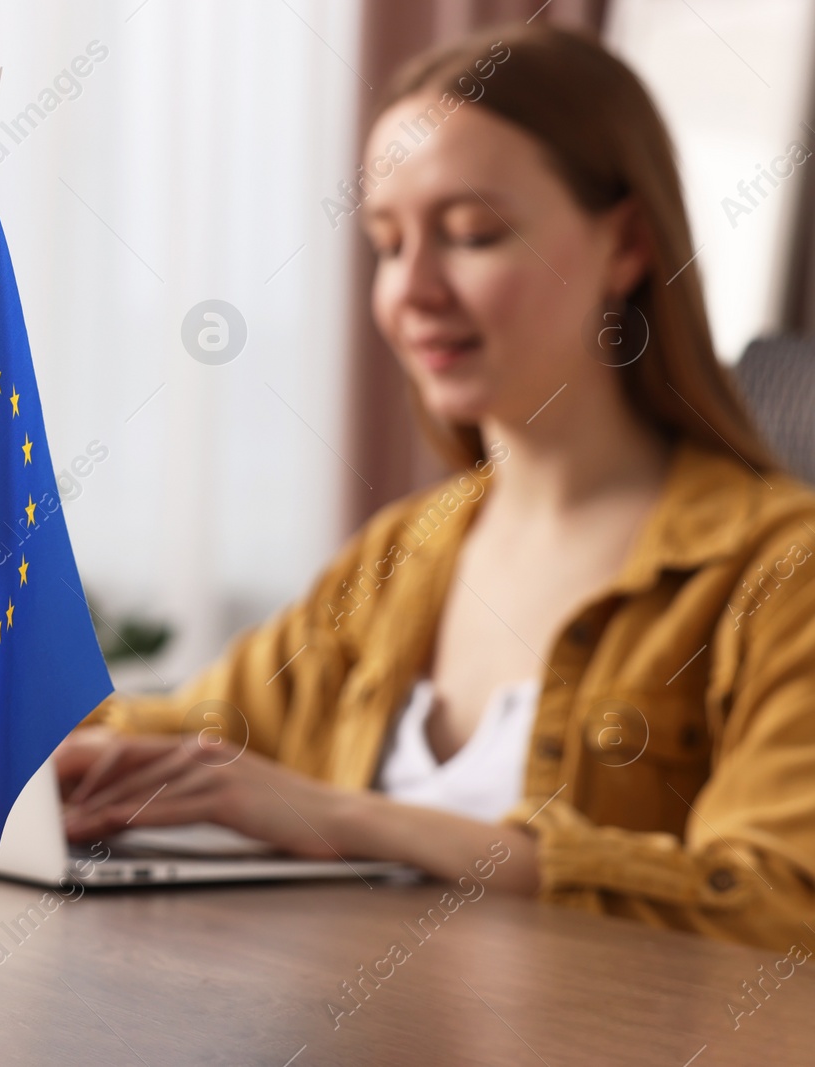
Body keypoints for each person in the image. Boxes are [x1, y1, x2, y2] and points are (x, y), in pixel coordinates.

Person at [57, 23, 815, 950]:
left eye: (472, 233)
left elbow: (779, 906)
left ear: (628, 245)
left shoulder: (783, 572)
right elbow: (189, 737)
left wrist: (355, 819)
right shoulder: (403, 552)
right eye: (386, 242)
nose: (410, 289)